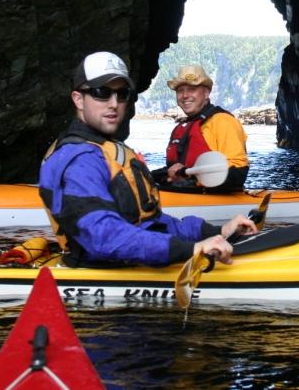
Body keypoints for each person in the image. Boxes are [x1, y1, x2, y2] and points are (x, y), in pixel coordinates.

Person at [39, 51, 256, 267]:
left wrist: (218, 231)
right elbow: (105, 237)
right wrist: (191, 249)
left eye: (122, 94)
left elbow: (153, 223)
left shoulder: (107, 150)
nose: (114, 103)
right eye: (101, 92)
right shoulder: (80, 161)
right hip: (101, 270)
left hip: (131, 261)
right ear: (78, 99)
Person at [157, 64, 250, 191]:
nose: (185, 95)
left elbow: (238, 171)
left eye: (192, 89)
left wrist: (192, 178)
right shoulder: (182, 127)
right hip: (186, 194)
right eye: (180, 91)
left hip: (215, 198)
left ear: (206, 93)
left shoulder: (223, 122)